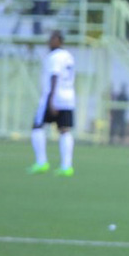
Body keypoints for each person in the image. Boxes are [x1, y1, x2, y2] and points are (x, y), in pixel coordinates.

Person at [28, 30, 77, 177]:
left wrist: (51, 100)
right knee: (65, 130)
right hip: (69, 97)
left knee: (37, 126)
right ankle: (66, 166)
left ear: (59, 40)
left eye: (52, 39)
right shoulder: (69, 56)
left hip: (54, 97)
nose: (49, 42)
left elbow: (54, 76)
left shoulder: (54, 57)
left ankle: (41, 162)